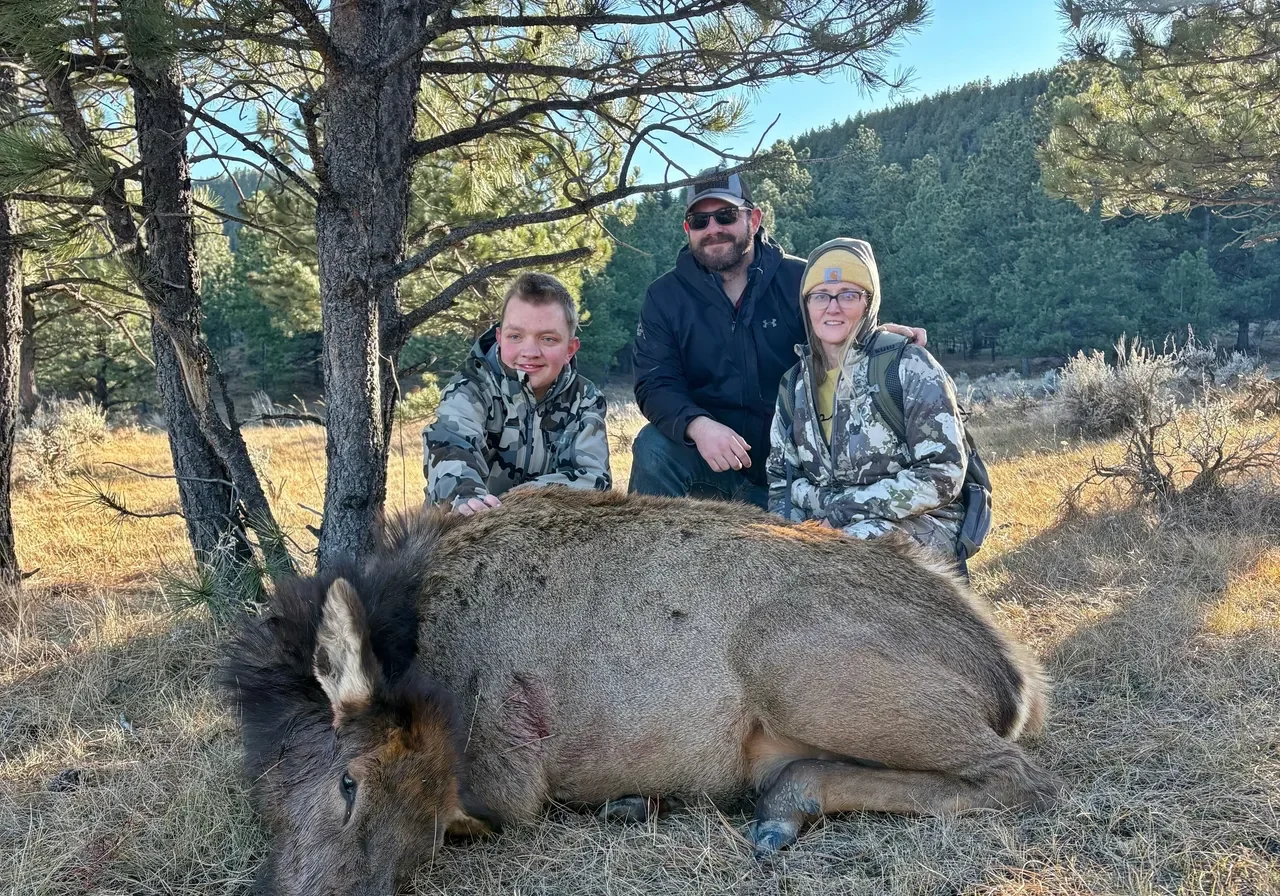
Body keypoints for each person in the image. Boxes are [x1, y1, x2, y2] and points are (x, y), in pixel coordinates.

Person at [628, 167, 924, 508]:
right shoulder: (664, 297)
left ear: (753, 219)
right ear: (687, 229)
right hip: (712, 461)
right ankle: (650, 559)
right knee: (653, 448)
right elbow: (654, 383)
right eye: (700, 221)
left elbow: (838, 330)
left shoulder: (801, 281)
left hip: (800, 466)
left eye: (725, 216)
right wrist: (698, 426)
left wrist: (876, 338)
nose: (713, 230)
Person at [766, 237, 967, 561]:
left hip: (918, 524)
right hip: (825, 530)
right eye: (820, 296)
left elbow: (944, 474)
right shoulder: (794, 386)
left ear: (868, 302)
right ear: (806, 305)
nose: (833, 307)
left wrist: (844, 511)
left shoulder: (907, 365)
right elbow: (781, 483)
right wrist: (791, 542)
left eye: (848, 295)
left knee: (843, 555)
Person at [424, 272, 612, 515]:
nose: (530, 351)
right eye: (516, 336)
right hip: (469, 527)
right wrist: (467, 496)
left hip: (544, 530)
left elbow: (593, 479)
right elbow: (450, 445)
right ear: (500, 338)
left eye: (548, 338)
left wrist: (512, 504)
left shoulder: (585, 399)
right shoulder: (471, 389)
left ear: (570, 349)